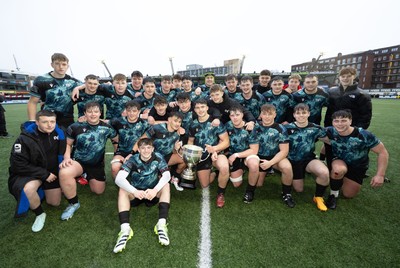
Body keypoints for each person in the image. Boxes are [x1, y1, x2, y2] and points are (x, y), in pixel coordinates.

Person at [58, 101, 117, 220]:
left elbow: (116, 141)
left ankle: (84, 177)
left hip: (97, 165)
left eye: (96, 111)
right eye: (89, 111)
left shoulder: (107, 128)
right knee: (65, 172)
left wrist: (117, 155)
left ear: (100, 113)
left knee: (98, 191)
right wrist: (67, 158)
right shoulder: (75, 127)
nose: (93, 114)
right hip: (79, 162)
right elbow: (68, 144)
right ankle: (73, 203)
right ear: (84, 113)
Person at [8, 110, 66, 232]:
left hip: (53, 173)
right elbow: (17, 164)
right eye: (45, 122)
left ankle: (43, 192)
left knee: (54, 203)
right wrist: (44, 174)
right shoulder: (24, 138)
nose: (50, 125)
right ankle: (40, 214)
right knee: (28, 189)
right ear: (37, 122)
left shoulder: (60, 133)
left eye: (52, 121)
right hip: (35, 173)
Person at [113, 138, 172, 253]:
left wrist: (155, 190)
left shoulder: (158, 157)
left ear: (153, 149)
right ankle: (125, 229)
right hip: (136, 194)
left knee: (166, 185)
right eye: (143, 148)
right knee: (122, 189)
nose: (146, 151)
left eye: (148, 147)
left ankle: (161, 224)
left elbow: (167, 175)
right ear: (139, 150)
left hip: (152, 193)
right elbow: (119, 179)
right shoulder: (133, 160)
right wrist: (134, 191)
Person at [323, 110, 389, 209]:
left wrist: (380, 175)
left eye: (343, 120)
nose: (340, 124)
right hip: (339, 161)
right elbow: (307, 129)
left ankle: (341, 179)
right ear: (332, 122)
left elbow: (382, 152)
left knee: (348, 194)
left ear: (350, 121)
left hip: (358, 166)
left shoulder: (364, 135)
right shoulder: (329, 131)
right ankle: (333, 195)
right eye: (336, 121)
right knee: (338, 171)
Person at [284, 103, 330, 211]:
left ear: (308, 114)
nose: (301, 115)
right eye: (298, 113)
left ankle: (318, 197)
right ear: (294, 115)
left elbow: (329, 141)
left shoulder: (315, 128)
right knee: (299, 189)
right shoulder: (286, 128)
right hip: (293, 160)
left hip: (309, 159)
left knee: (324, 173)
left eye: (304, 113)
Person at [321, 67, 373, 161]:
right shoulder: (332, 91)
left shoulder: (362, 94)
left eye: (348, 76)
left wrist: (357, 131)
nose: (345, 78)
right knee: (331, 150)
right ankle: (330, 167)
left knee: (350, 154)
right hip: (333, 128)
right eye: (343, 76)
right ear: (339, 77)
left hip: (351, 129)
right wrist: (327, 127)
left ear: (354, 77)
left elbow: (365, 116)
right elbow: (329, 112)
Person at [188, 98, 230, 208]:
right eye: (197, 107)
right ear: (194, 110)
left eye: (202, 107)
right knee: (204, 185)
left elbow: (226, 142)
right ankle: (213, 173)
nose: (200, 110)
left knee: (224, 167)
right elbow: (191, 141)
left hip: (216, 153)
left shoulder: (215, 122)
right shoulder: (193, 124)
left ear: (207, 108)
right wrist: (189, 152)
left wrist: (215, 149)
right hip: (201, 157)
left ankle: (220, 194)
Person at [252, 104, 295, 207]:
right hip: (260, 157)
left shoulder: (281, 128)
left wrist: (270, 163)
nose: (267, 117)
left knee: (287, 167)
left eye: (270, 114)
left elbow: (284, 151)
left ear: (275, 115)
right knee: (258, 184)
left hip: (275, 158)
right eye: (264, 114)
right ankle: (263, 173)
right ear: (260, 114)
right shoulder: (256, 127)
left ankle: (287, 194)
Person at [28, 53, 81, 130]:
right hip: (47, 118)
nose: (61, 67)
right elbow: (32, 102)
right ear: (52, 64)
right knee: (46, 141)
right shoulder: (41, 80)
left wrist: (78, 87)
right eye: (57, 64)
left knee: (66, 141)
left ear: (67, 66)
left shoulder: (73, 82)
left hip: (67, 120)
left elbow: (90, 85)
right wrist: (32, 121)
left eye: (64, 64)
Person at [142, 111, 185, 191]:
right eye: (175, 121)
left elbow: (174, 152)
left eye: (179, 122)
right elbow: (142, 140)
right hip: (153, 157)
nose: (177, 124)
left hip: (166, 156)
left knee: (184, 159)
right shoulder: (157, 128)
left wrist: (175, 148)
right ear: (169, 120)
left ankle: (175, 177)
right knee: (156, 184)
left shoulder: (177, 134)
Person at [224, 105, 260, 198]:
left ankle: (250, 191)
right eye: (232, 115)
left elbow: (254, 150)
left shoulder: (250, 128)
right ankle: (240, 169)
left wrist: (237, 155)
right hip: (233, 155)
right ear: (229, 117)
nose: (235, 117)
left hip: (247, 154)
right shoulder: (228, 125)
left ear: (242, 115)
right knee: (236, 184)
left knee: (254, 164)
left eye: (237, 115)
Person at [109, 100, 149, 179]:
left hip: (138, 152)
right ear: (126, 111)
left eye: (134, 111)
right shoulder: (118, 121)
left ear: (139, 111)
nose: (131, 113)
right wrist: (115, 144)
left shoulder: (144, 124)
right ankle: (119, 184)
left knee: (142, 172)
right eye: (129, 111)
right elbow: (104, 124)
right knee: (115, 167)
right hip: (121, 152)